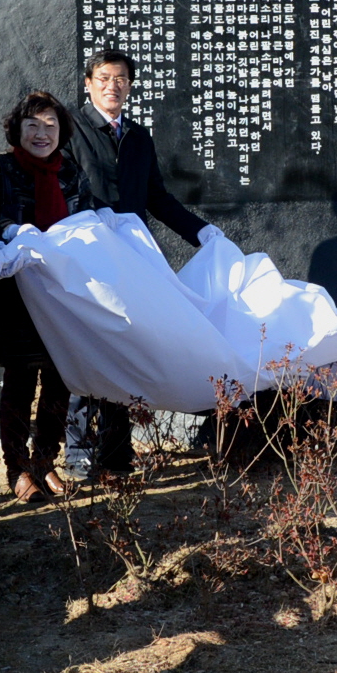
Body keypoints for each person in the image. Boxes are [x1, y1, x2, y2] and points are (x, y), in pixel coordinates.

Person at [64, 47, 223, 479]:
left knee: (123, 350)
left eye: (121, 79)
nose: (112, 85)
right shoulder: (70, 129)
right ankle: (79, 453)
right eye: (103, 77)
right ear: (87, 83)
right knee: (88, 348)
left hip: (130, 262)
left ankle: (116, 455)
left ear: (130, 86)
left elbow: (157, 198)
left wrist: (200, 232)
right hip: (88, 258)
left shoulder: (137, 136)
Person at [0, 90, 102, 502]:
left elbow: (85, 220)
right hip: (17, 292)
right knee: (19, 382)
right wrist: (13, 231)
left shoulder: (70, 173)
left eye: (50, 125)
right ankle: (17, 469)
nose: (41, 133)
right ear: (17, 130)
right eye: (32, 125)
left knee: (60, 380)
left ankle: (45, 463)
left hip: (62, 290)